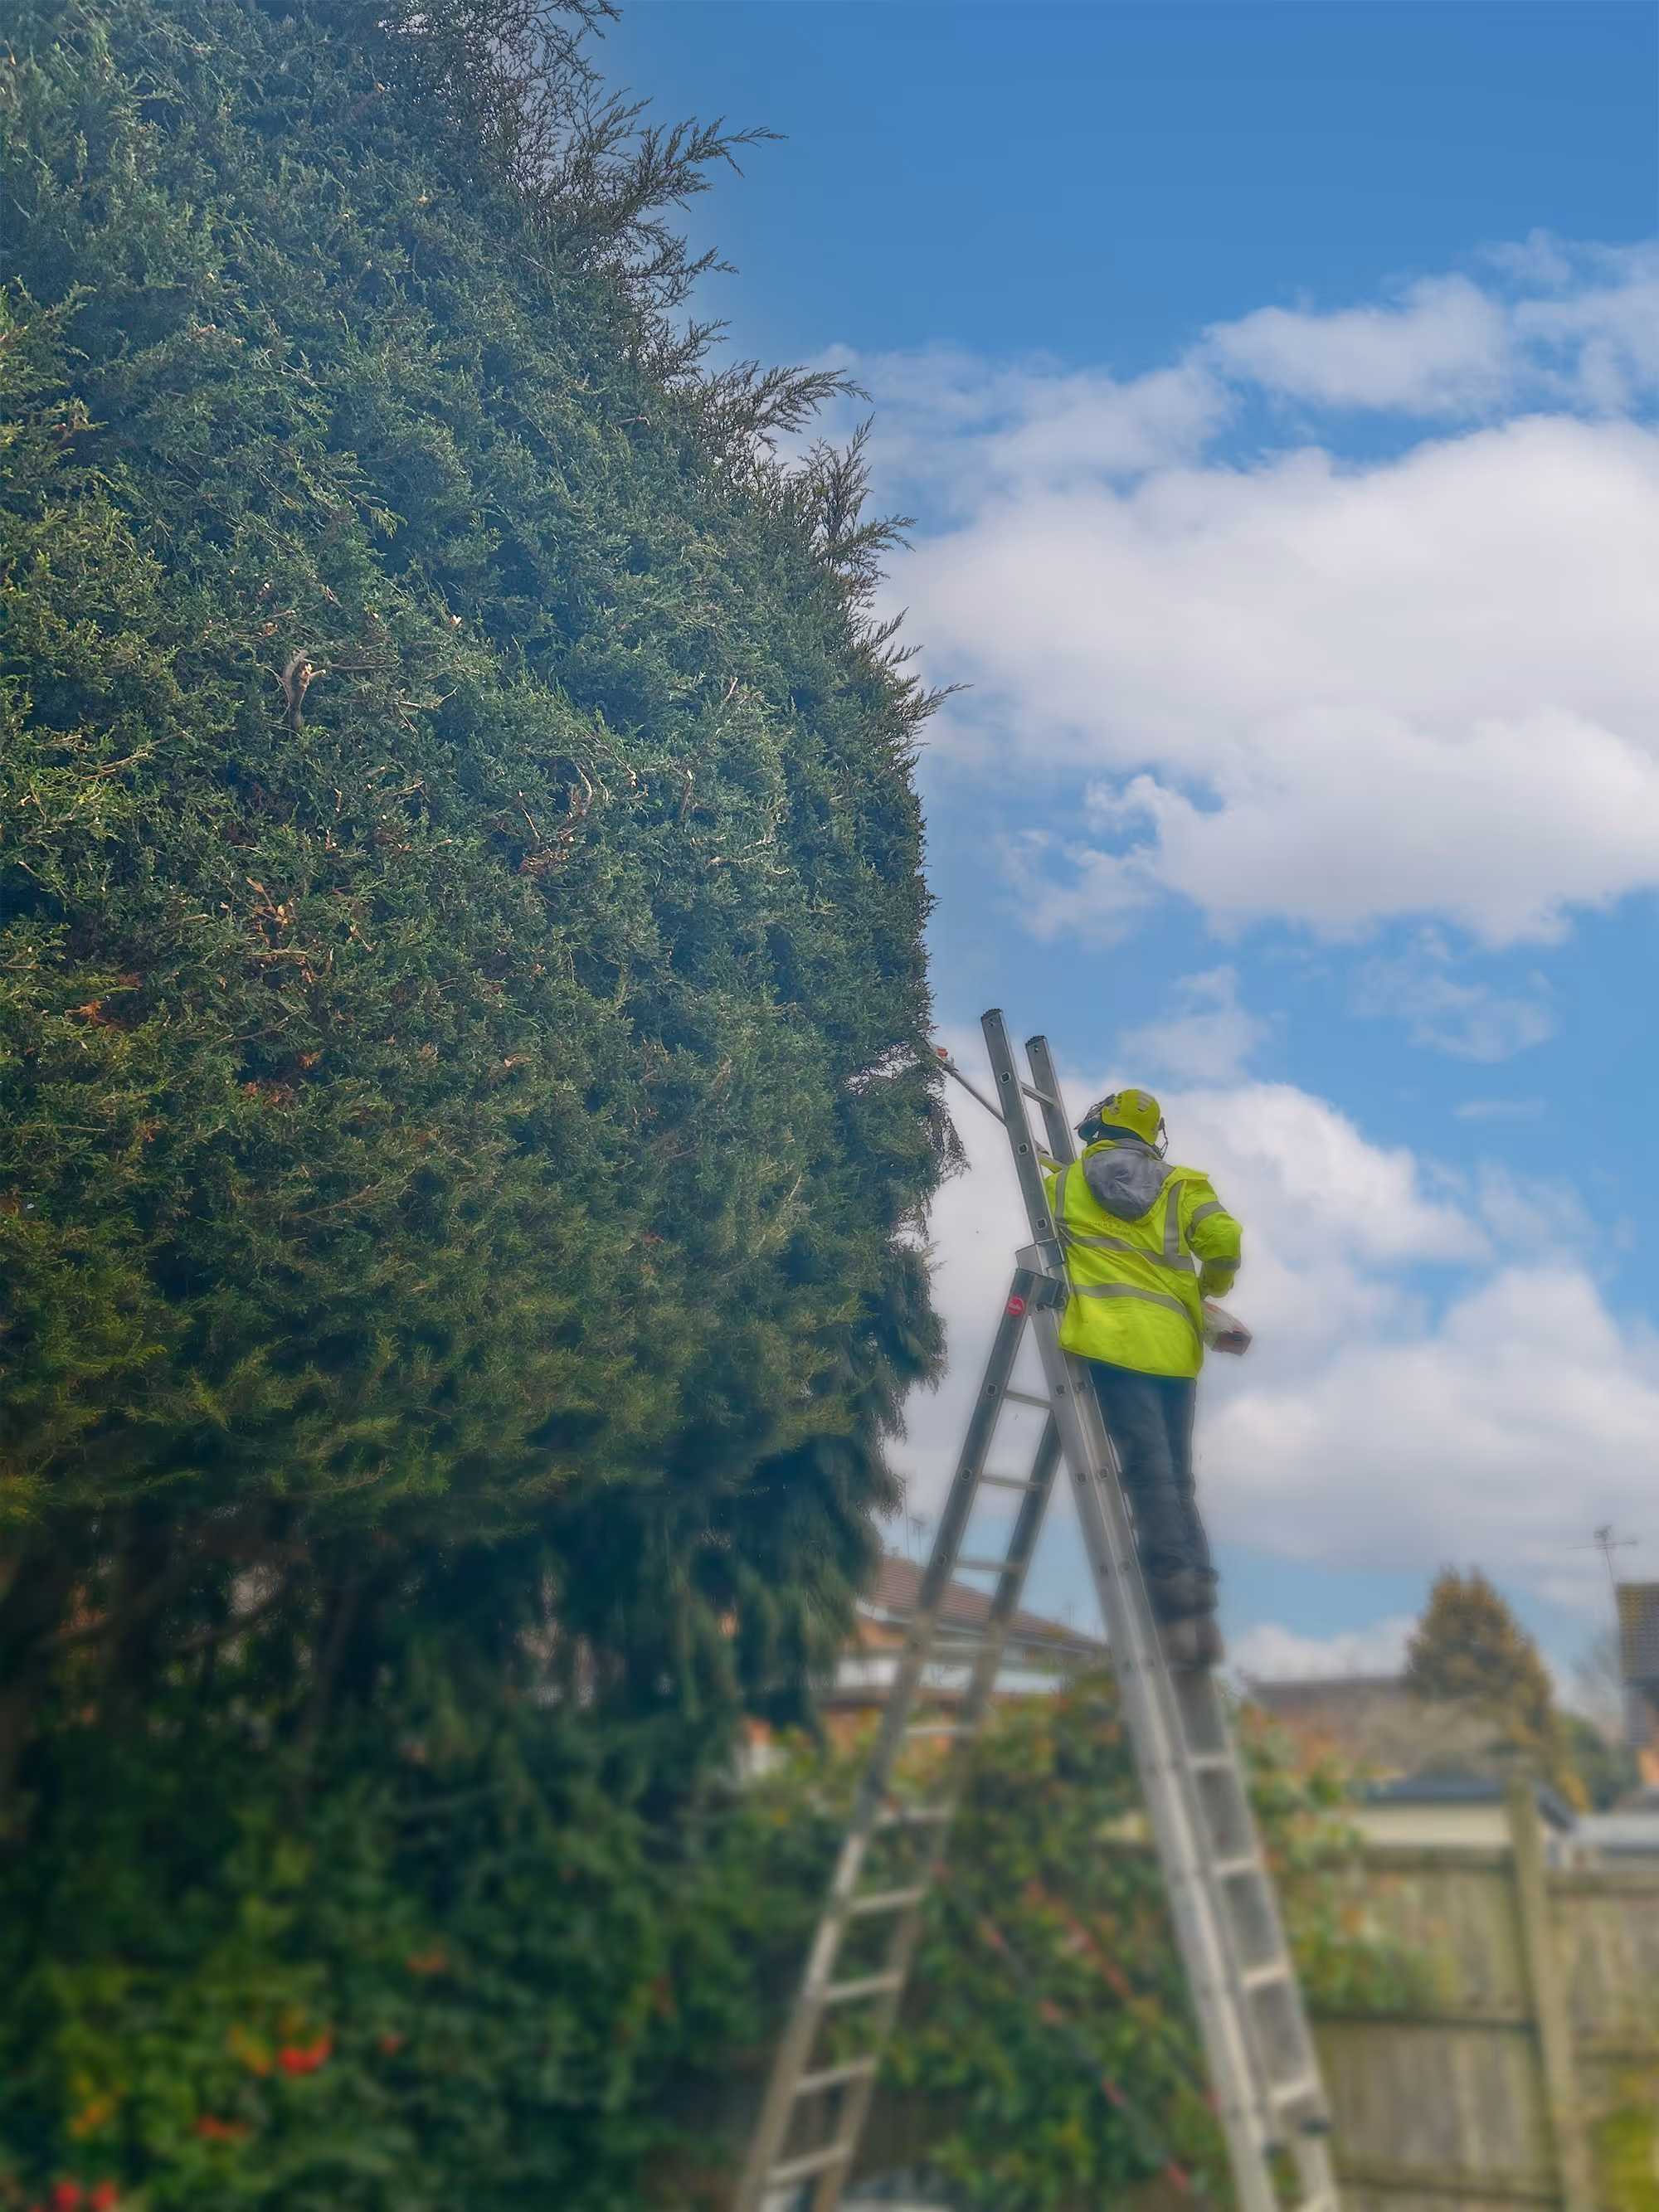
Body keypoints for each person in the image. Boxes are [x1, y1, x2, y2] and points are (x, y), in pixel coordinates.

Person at [1044, 1088, 1243, 1668]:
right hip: (1175, 1352)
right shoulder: (1185, 1185)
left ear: (1096, 1127)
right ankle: (1199, 1606)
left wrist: (1055, 1168)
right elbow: (1225, 1242)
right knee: (1177, 1480)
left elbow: (1049, 1190)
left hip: (1110, 1343)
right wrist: (1212, 1291)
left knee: (1148, 1476)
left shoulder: (1064, 1185)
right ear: (1153, 1135)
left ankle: (1177, 1615)